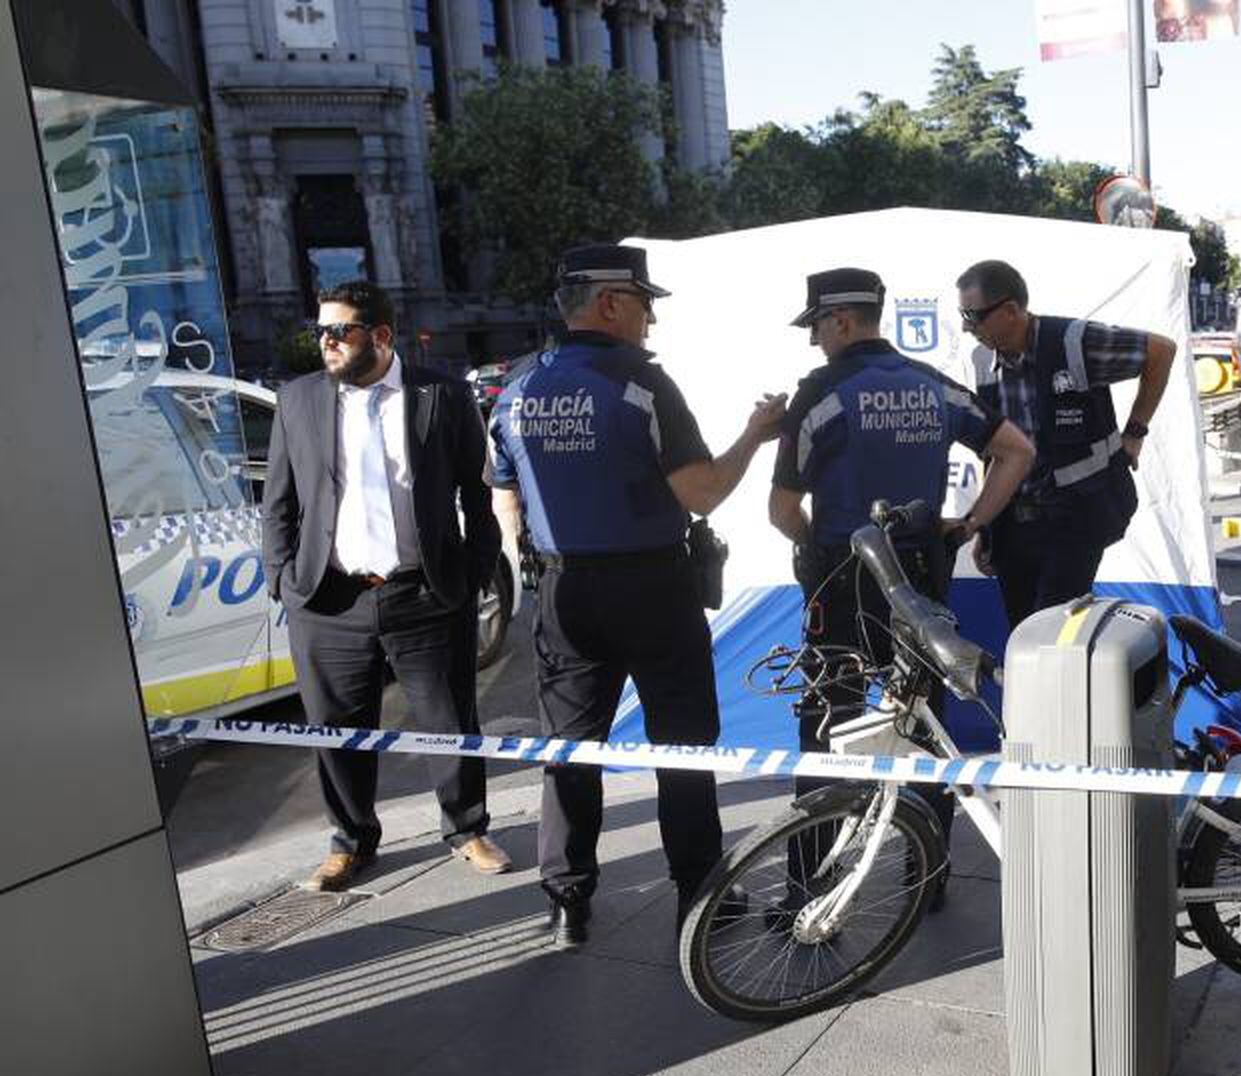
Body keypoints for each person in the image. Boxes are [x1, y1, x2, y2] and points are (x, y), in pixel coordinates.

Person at [488, 244, 786, 947]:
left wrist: (529, 567)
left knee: (571, 749)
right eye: (646, 303)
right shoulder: (642, 386)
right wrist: (756, 434)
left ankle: (567, 904)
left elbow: (503, 490)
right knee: (683, 746)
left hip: (562, 590)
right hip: (651, 587)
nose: (651, 320)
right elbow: (704, 491)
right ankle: (699, 897)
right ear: (611, 303)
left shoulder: (518, 387)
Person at [766, 268, 1034, 882]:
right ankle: (928, 871)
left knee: (828, 721)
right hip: (919, 579)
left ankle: (810, 877)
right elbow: (1017, 450)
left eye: (816, 327)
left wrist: (818, 551)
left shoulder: (820, 395)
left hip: (844, 580)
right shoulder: (932, 386)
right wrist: (967, 525)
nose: (814, 342)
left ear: (840, 320)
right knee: (924, 723)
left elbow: (781, 510)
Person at [261, 281, 513, 890]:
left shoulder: (441, 395)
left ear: (380, 336)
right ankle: (350, 841)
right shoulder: (298, 400)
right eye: (319, 330)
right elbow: (280, 502)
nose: (325, 342)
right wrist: (283, 580)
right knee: (336, 729)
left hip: (423, 595)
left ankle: (466, 828)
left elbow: (478, 497)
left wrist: (474, 572)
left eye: (338, 331)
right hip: (329, 598)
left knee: (450, 721)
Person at [955, 258, 1177, 630]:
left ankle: (1061, 686)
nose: (966, 327)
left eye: (973, 316)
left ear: (1010, 310)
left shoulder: (1074, 343)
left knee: (1049, 630)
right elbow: (997, 454)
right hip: (1015, 526)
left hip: (1076, 517)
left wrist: (1135, 432)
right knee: (1023, 630)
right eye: (963, 315)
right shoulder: (982, 361)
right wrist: (987, 529)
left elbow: (1161, 351)